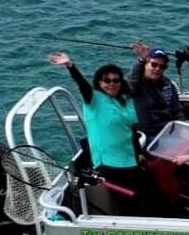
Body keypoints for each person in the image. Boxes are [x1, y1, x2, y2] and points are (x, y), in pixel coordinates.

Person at [47, 52, 144, 211]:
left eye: (115, 80)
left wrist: (139, 152)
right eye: (106, 80)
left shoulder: (125, 99)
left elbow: (131, 128)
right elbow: (82, 85)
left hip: (128, 157)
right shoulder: (94, 99)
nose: (111, 84)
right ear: (99, 82)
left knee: (141, 194)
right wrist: (70, 66)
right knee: (127, 200)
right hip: (108, 161)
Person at [128, 41, 184, 140]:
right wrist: (141, 59)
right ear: (145, 64)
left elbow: (177, 111)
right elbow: (132, 83)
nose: (158, 69)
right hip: (144, 134)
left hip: (166, 132)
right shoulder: (137, 83)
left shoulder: (169, 85)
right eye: (154, 64)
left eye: (162, 67)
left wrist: (183, 128)